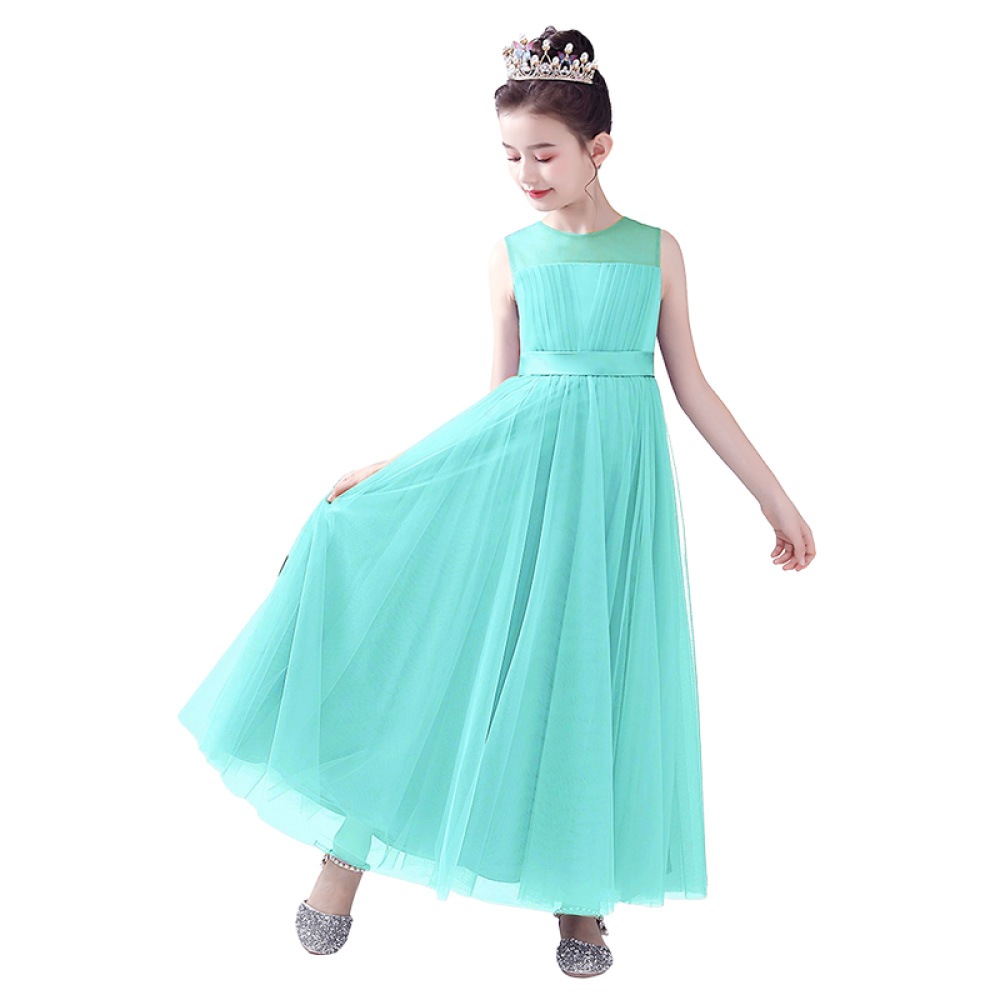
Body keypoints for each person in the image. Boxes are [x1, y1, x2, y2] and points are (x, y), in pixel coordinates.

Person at [178, 25, 815, 979]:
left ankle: (580, 900)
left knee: (591, 677)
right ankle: (342, 860)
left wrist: (775, 499)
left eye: (544, 153)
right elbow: (498, 399)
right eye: (510, 156)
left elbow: (692, 386)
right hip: (520, 489)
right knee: (453, 664)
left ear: (600, 148)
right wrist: (394, 468)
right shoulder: (510, 255)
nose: (525, 173)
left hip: (616, 503)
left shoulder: (658, 251)